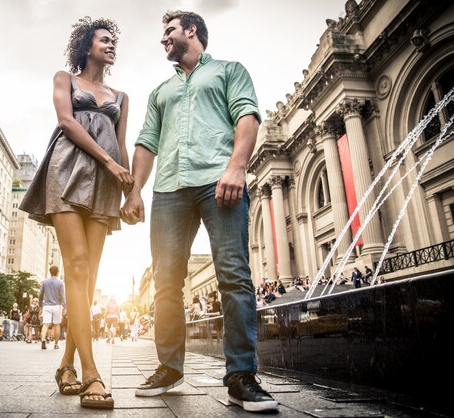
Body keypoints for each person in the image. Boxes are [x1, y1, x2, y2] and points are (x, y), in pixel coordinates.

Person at [120, 10, 278, 412]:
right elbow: (146, 143)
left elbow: (247, 116)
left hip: (218, 182)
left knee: (233, 273)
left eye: (169, 31)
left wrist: (236, 167)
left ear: (191, 31)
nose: (163, 39)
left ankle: (241, 376)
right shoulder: (161, 92)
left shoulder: (229, 71)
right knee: (166, 283)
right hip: (170, 188)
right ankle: (169, 368)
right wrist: (134, 191)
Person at [18, 16, 131, 410]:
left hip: (104, 184)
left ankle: (65, 365)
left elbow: (122, 145)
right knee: (77, 268)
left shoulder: (120, 95)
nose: (111, 44)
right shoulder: (65, 78)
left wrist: (130, 191)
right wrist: (110, 163)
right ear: (87, 46)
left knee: (88, 278)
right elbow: (66, 122)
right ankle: (91, 372)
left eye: (114, 41)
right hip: (67, 171)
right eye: (104, 39)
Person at [39, 266, 65, 350]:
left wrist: (40, 305)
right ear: (57, 272)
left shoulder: (44, 282)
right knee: (57, 325)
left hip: (46, 306)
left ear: (50, 272)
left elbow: (41, 294)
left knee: (45, 324)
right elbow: (62, 296)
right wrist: (65, 306)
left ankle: (43, 339)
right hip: (57, 306)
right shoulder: (60, 282)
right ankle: (56, 344)